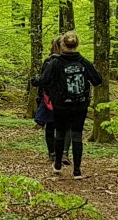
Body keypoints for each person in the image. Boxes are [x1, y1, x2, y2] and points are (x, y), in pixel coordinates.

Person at [30, 31, 103, 179]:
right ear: (77, 45)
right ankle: (77, 171)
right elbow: (97, 80)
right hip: (80, 105)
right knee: (77, 134)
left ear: (62, 44)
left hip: (61, 105)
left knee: (60, 133)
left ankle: (57, 165)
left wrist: (33, 80)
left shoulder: (55, 63)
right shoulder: (84, 62)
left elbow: (43, 80)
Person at [34, 37, 71, 165]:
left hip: (50, 99)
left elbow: (42, 81)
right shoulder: (70, 61)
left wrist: (41, 99)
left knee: (51, 126)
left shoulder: (49, 61)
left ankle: (53, 154)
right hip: (66, 99)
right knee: (66, 127)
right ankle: (63, 153)